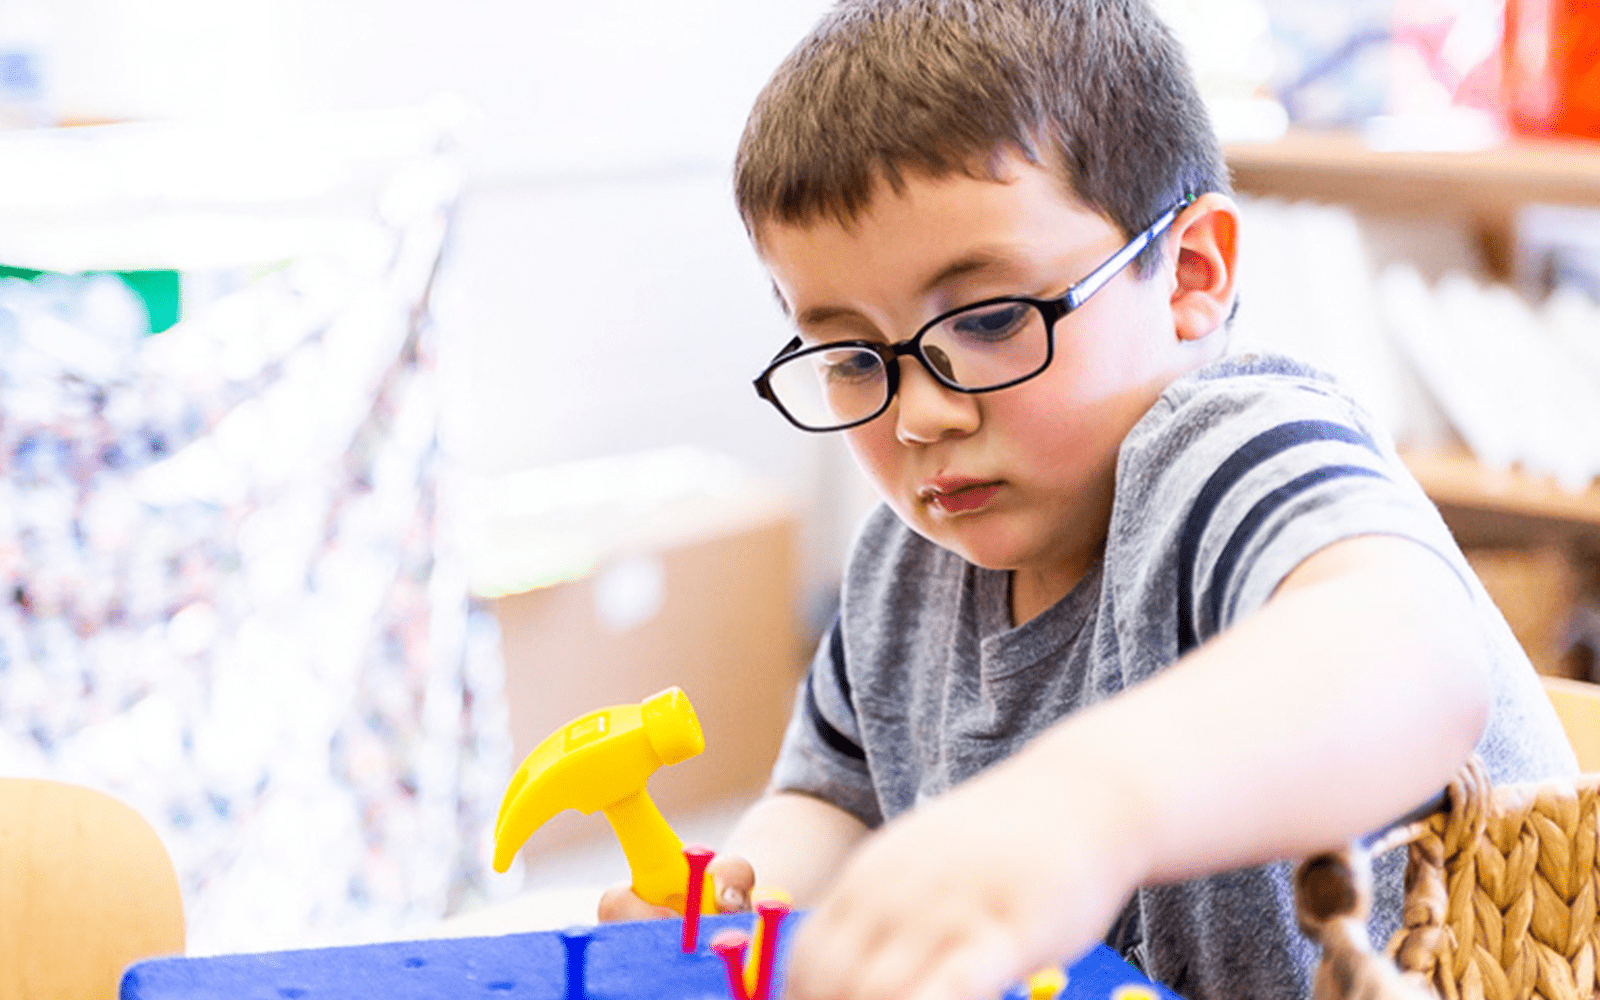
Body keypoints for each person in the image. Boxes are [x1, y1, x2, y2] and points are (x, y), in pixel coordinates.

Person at [599, 1, 1578, 998]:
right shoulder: (901, 564)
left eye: (985, 319)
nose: (918, 417)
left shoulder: (1228, 452)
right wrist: (745, 907)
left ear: (1191, 273)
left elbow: (1411, 655)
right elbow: (833, 803)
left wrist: (1083, 807)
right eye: (852, 357)